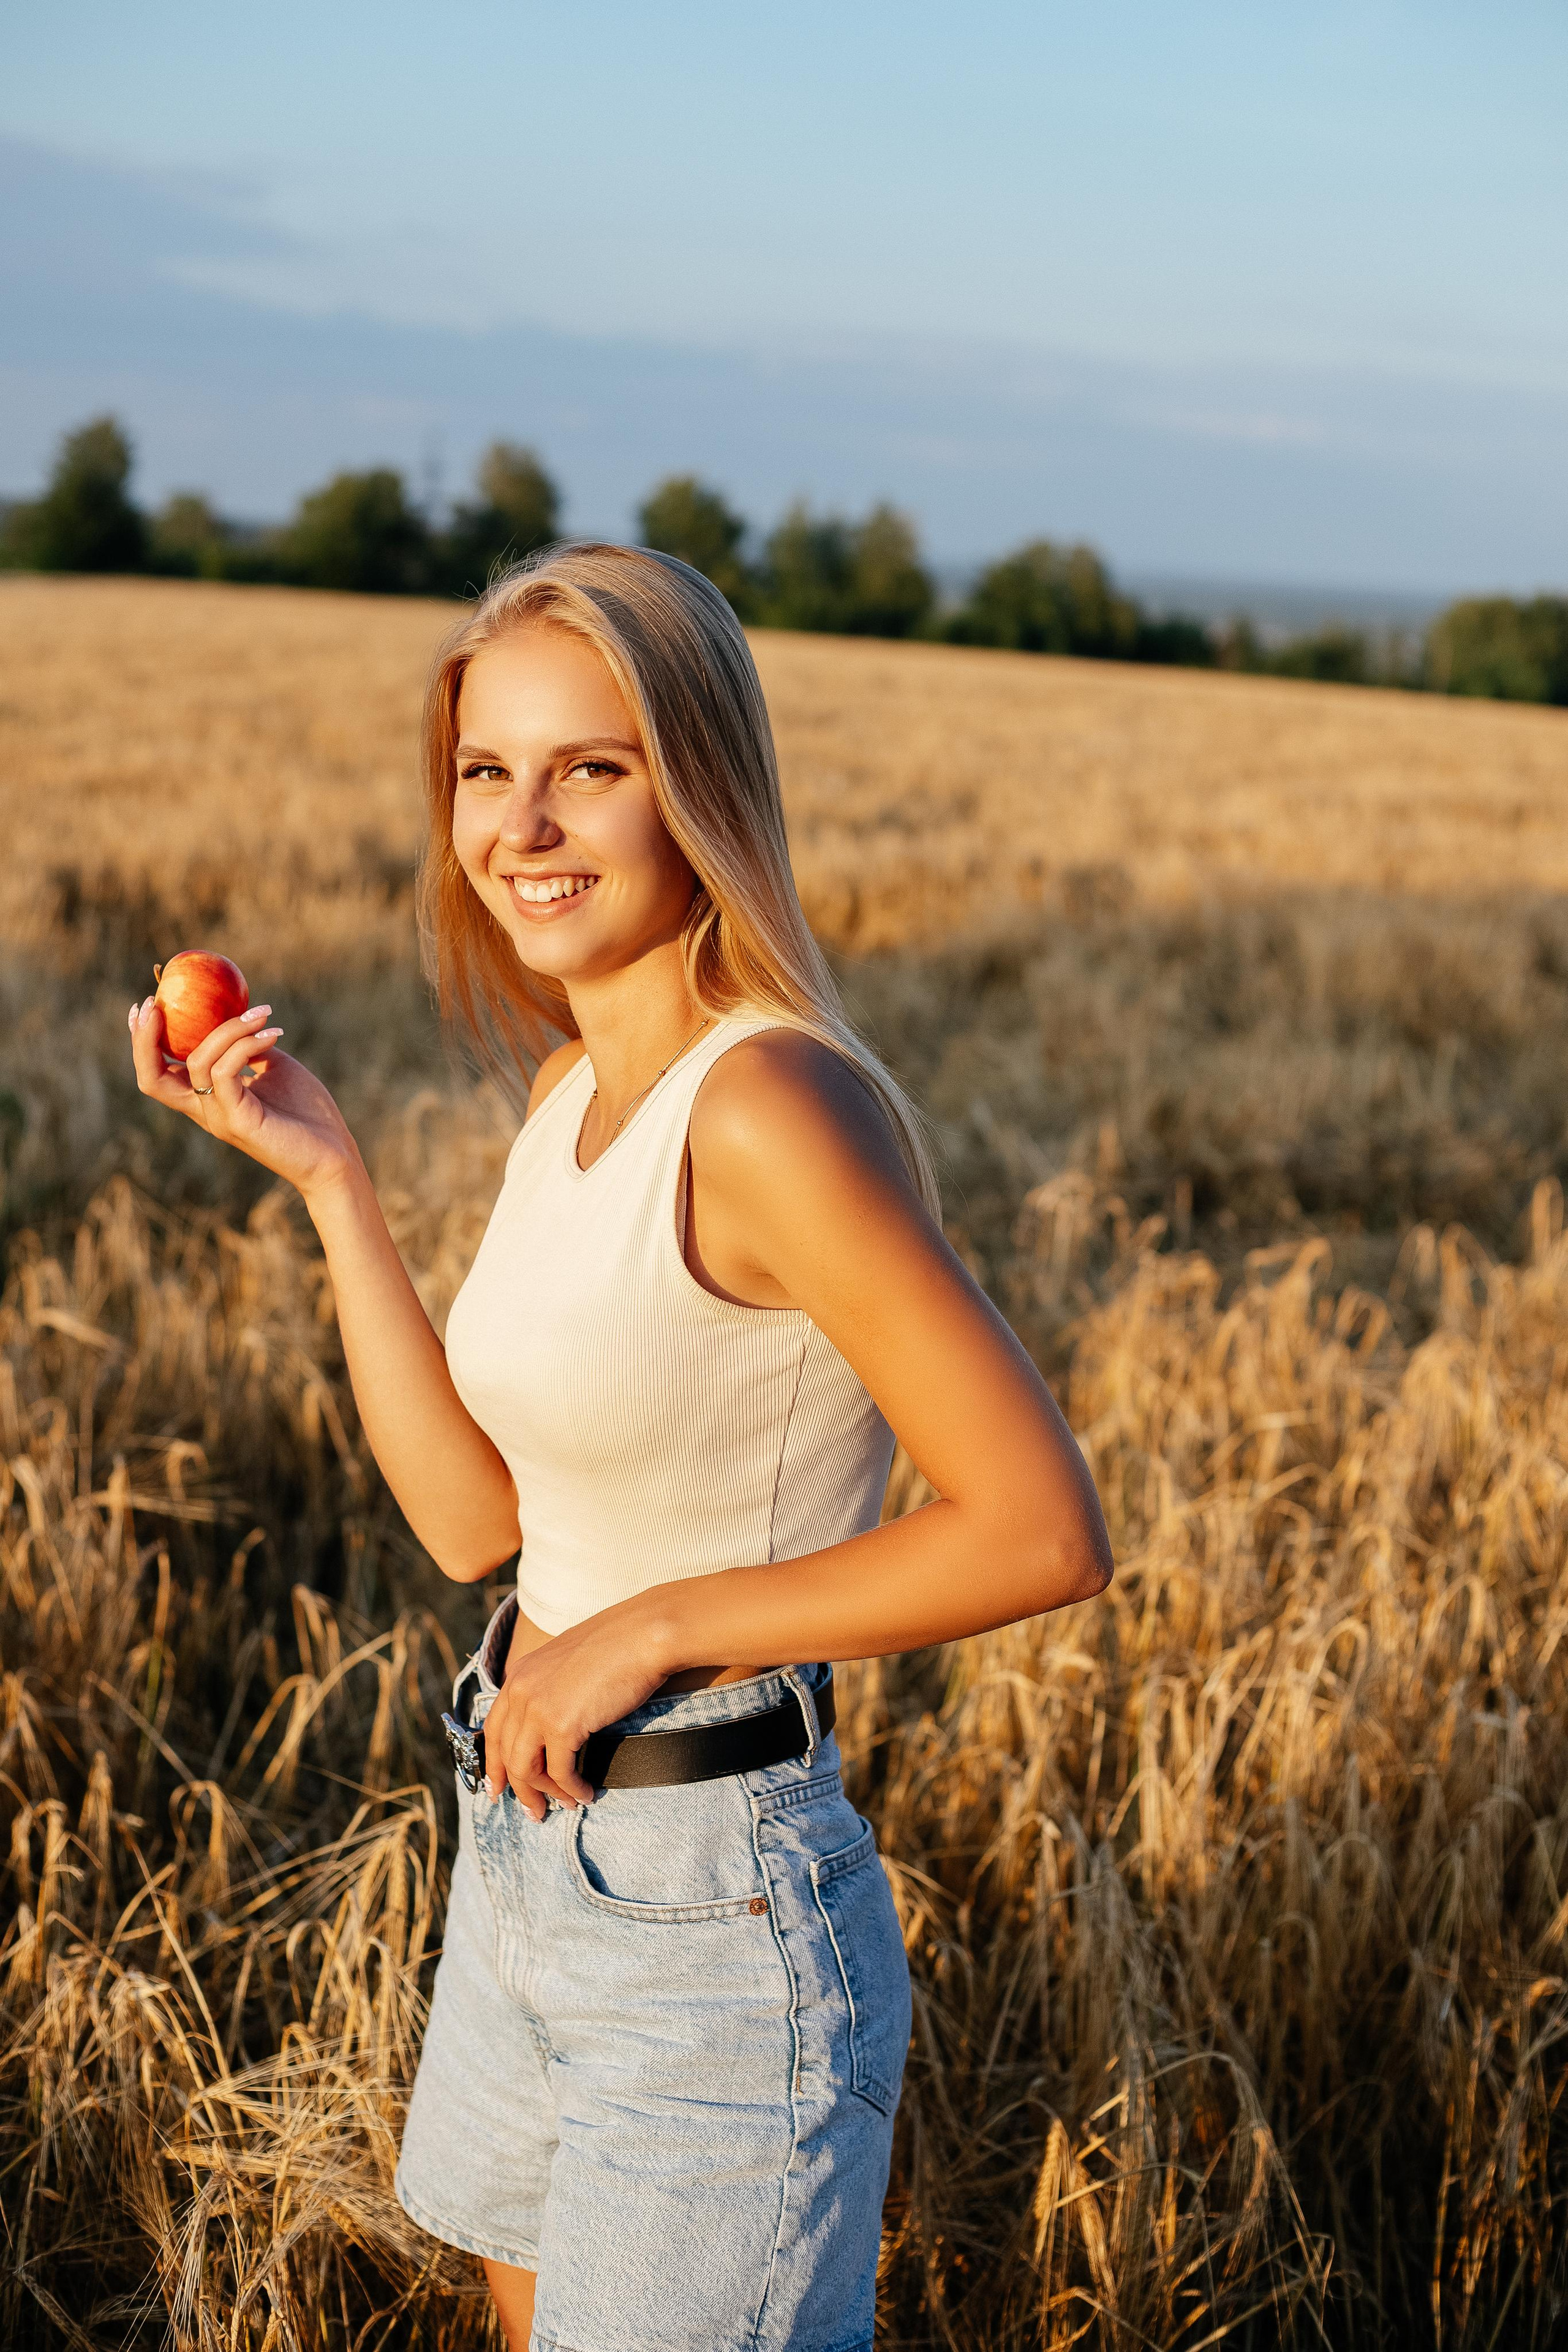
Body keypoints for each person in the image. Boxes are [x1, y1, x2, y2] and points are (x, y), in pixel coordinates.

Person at [129, 543, 1112, 2352]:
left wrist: (652, 1630)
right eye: (484, 772)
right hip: (527, 1849)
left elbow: (1042, 1529)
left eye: (592, 767)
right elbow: (471, 1527)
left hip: (713, 1908)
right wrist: (331, 1181)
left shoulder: (771, 1107)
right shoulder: (574, 1093)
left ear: (701, 786)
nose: (523, 826)